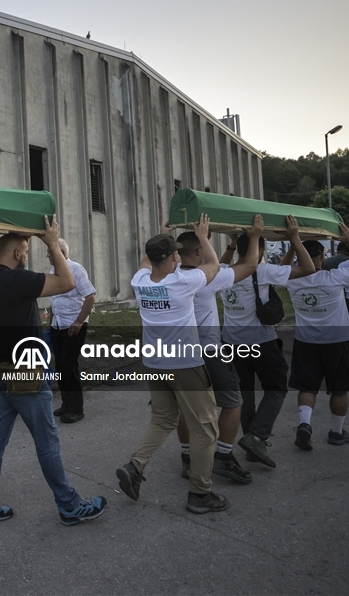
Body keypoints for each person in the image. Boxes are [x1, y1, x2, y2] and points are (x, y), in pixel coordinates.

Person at [0, 216, 107, 526]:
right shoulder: (18, 280)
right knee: (46, 440)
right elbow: (68, 282)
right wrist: (53, 243)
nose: (27, 257)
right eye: (26, 252)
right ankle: (70, 506)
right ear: (17, 253)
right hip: (22, 372)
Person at [117, 215, 230, 514]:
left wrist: (159, 235)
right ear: (174, 257)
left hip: (155, 363)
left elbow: (146, 261)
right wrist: (204, 236)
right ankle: (200, 494)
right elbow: (214, 266)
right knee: (206, 430)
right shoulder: (184, 281)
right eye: (176, 252)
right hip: (185, 365)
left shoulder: (140, 281)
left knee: (162, 419)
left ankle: (135, 466)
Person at [219, 215, 314, 469]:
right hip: (261, 343)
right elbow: (308, 269)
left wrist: (233, 243)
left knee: (245, 394)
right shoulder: (262, 271)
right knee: (277, 387)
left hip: (232, 343)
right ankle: (257, 437)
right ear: (260, 250)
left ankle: (251, 442)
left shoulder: (223, 274)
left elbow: (219, 264)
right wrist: (294, 238)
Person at [175, 217, 263, 485]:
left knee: (186, 407)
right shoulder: (206, 279)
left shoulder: (169, 276)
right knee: (233, 401)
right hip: (209, 352)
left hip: (180, 354)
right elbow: (249, 265)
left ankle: (188, 458)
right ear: (200, 252)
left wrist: (228, 244)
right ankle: (224, 456)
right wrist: (256, 236)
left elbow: (219, 264)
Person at [283, 227, 349, 449]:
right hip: (336, 341)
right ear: (322, 257)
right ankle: (336, 431)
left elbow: (282, 269)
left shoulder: (292, 280)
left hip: (306, 342)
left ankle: (305, 425)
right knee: (340, 388)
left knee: (307, 387)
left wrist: (293, 245)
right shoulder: (335, 277)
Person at [47, 238, 97, 424]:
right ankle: (66, 404)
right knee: (60, 366)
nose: (47, 255)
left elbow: (90, 297)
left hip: (73, 326)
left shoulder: (76, 269)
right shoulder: (53, 271)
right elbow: (54, 298)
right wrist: (52, 320)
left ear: (60, 252)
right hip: (57, 325)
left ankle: (77, 408)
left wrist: (78, 322)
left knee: (69, 365)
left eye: (49, 251)